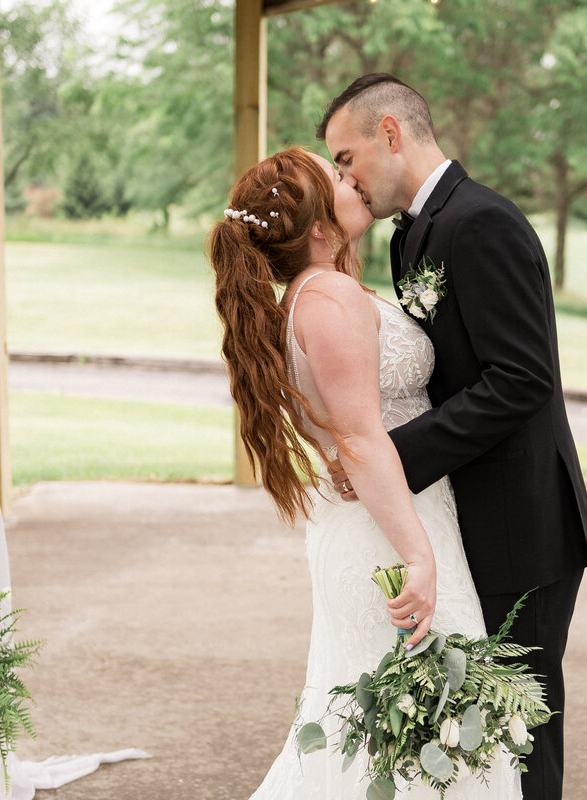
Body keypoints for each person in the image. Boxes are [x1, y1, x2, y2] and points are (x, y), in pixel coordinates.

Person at [318, 74, 587, 800]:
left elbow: (521, 379)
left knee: (522, 730)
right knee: (476, 735)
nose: (344, 179)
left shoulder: (482, 223)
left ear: (390, 133)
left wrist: (393, 458)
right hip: (463, 514)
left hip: (519, 521)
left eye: (346, 159)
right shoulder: (411, 235)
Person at [209, 147, 522, 798]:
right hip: (389, 534)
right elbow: (356, 435)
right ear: (319, 230)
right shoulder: (329, 297)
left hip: (383, 515)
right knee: (411, 733)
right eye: (336, 177)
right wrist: (418, 556)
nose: (351, 179)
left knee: (401, 730)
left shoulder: (313, 293)